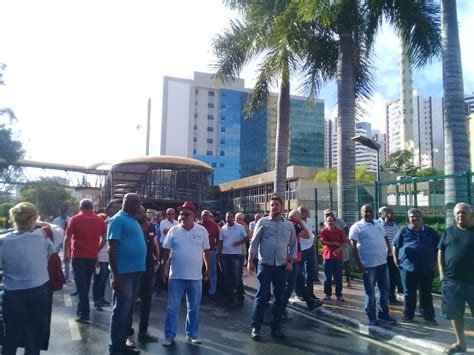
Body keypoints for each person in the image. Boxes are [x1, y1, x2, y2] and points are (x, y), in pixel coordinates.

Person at [0, 202, 54, 355]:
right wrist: (41, 223)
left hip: (12, 293)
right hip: (37, 292)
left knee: (11, 335)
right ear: (32, 219)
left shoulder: (4, 241)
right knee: (33, 337)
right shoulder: (41, 236)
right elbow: (58, 229)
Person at [160, 201, 211, 347]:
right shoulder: (173, 231)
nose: (182, 216)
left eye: (186, 214)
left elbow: (206, 251)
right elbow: (166, 251)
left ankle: (192, 334)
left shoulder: (201, 231)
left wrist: (208, 268)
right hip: (176, 276)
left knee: (194, 307)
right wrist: (163, 268)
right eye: (181, 213)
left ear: (194, 215)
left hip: (195, 277)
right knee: (172, 307)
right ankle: (169, 335)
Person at [248, 195, 297, 341]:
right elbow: (254, 242)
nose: (274, 207)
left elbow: (293, 245)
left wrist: (290, 262)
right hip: (265, 265)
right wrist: (250, 261)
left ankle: (276, 327)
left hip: (281, 267)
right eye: (272, 205)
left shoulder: (289, 225)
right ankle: (256, 327)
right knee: (262, 296)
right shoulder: (262, 222)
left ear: (282, 207)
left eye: (277, 205)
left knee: (279, 298)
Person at [107, 193, 147, 355]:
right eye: (137, 202)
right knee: (121, 311)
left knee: (128, 311)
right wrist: (116, 276)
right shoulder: (118, 220)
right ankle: (114, 348)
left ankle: (122, 344)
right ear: (128, 203)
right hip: (124, 273)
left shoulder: (132, 219)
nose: (140, 205)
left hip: (136, 271)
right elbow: (112, 249)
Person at [349, 204, 396, 325]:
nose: (368, 213)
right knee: (370, 292)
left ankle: (383, 314)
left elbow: (385, 237)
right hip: (368, 265)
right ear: (361, 213)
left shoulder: (379, 224)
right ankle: (371, 315)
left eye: (370, 211)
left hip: (382, 263)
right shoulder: (357, 227)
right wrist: (360, 265)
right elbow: (353, 248)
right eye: (366, 211)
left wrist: (388, 250)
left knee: (384, 290)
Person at [393, 208, 439, 325]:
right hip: (408, 268)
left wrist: (436, 263)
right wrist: (395, 259)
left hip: (426, 267)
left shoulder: (430, 231)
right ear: (409, 218)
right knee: (409, 293)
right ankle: (408, 315)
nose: (415, 219)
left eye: (417, 216)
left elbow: (439, 248)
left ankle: (429, 316)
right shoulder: (403, 231)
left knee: (426, 293)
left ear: (421, 218)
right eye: (412, 216)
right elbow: (395, 245)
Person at [438, 203, 474, 354]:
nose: (461, 215)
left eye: (464, 213)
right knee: (455, 313)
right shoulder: (449, 232)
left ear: (471, 215)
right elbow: (441, 251)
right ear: (455, 215)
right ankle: (461, 343)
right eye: (458, 213)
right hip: (452, 282)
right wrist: (442, 274)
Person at [64, 199, 107, 323]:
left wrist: (66, 254)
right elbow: (104, 239)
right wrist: (96, 250)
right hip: (92, 257)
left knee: (81, 285)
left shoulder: (75, 219)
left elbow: (67, 238)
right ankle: (82, 310)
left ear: (81, 207)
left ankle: (84, 312)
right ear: (92, 207)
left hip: (78, 256)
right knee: (86, 283)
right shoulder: (99, 220)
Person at [126, 206, 159, 347]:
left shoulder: (150, 226)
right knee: (130, 303)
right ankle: (128, 335)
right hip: (133, 269)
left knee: (147, 301)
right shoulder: (129, 226)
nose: (143, 214)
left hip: (148, 269)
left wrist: (157, 260)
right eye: (139, 212)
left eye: (143, 212)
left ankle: (143, 332)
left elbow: (154, 243)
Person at [282, 209, 322, 322]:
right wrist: (300, 222)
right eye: (299, 216)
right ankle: (280, 310)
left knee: (299, 281)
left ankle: (310, 303)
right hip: (292, 259)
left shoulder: (291, 224)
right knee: (289, 286)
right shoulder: (293, 224)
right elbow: (307, 235)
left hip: (295, 258)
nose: (301, 218)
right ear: (294, 216)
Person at [218, 211, 248, 305]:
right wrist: (219, 254)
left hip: (236, 254)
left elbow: (246, 238)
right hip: (225, 254)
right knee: (226, 276)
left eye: (231, 217)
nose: (229, 218)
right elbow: (220, 242)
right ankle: (229, 296)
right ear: (226, 218)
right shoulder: (223, 228)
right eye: (227, 217)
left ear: (233, 218)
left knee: (236, 275)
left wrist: (238, 243)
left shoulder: (239, 227)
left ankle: (240, 296)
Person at [320, 213, 348, 302]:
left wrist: (338, 249)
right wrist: (335, 243)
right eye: (328, 221)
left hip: (338, 256)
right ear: (326, 222)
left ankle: (339, 294)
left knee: (338, 276)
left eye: (332, 221)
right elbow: (323, 242)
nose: (330, 223)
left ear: (335, 221)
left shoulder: (340, 231)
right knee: (327, 277)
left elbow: (345, 243)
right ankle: (327, 293)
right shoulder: (324, 231)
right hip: (327, 256)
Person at [295, 206, 320, 301]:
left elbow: (312, 231)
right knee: (300, 272)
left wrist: (314, 237)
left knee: (311, 271)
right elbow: (303, 235)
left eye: (307, 210)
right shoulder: (297, 223)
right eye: (304, 211)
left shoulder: (310, 221)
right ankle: (299, 293)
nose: (306, 212)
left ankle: (310, 293)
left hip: (310, 248)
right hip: (301, 248)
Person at [323, 209, 351, 287]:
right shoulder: (326, 223)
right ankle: (334, 279)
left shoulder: (339, 221)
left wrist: (342, 240)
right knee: (333, 263)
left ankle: (348, 279)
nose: (328, 215)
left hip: (341, 244)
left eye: (329, 214)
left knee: (345, 261)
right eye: (326, 214)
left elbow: (346, 229)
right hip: (332, 247)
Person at [381, 208, 403, 305]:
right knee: (385, 278)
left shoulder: (396, 227)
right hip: (383, 256)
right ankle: (384, 297)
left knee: (393, 277)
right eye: (391, 213)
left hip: (393, 256)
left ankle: (391, 297)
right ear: (386, 215)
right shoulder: (380, 227)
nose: (393, 215)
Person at [198, 209, 220, 300]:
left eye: (206, 215)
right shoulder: (198, 225)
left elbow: (219, 237)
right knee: (199, 270)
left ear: (210, 216)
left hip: (211, 251)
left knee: (212, 271)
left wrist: (216, 246)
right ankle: (200, 290)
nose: (205, 217)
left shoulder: (214, 225)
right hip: (199, 252)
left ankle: (212, 291)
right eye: (203, 215)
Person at [93, 213, 111, 311]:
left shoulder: (107, 228)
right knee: (98, 280)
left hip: (107, 259)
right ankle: (97, 301)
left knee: (103, 281)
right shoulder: (98, 228)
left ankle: (101, 298)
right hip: (100, 259)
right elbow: (95, 244)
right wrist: (96, 259)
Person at [52, 204, 71, 280]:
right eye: (62, 210)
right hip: (58, 240)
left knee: (66, 257)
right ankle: (55, 273)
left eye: (65, 210)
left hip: (67, 241)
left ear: (67, 210)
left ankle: (66, 275)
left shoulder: (70, 220)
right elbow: (53, 231)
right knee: (54, 256)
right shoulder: (55, 221)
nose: (63, 211)